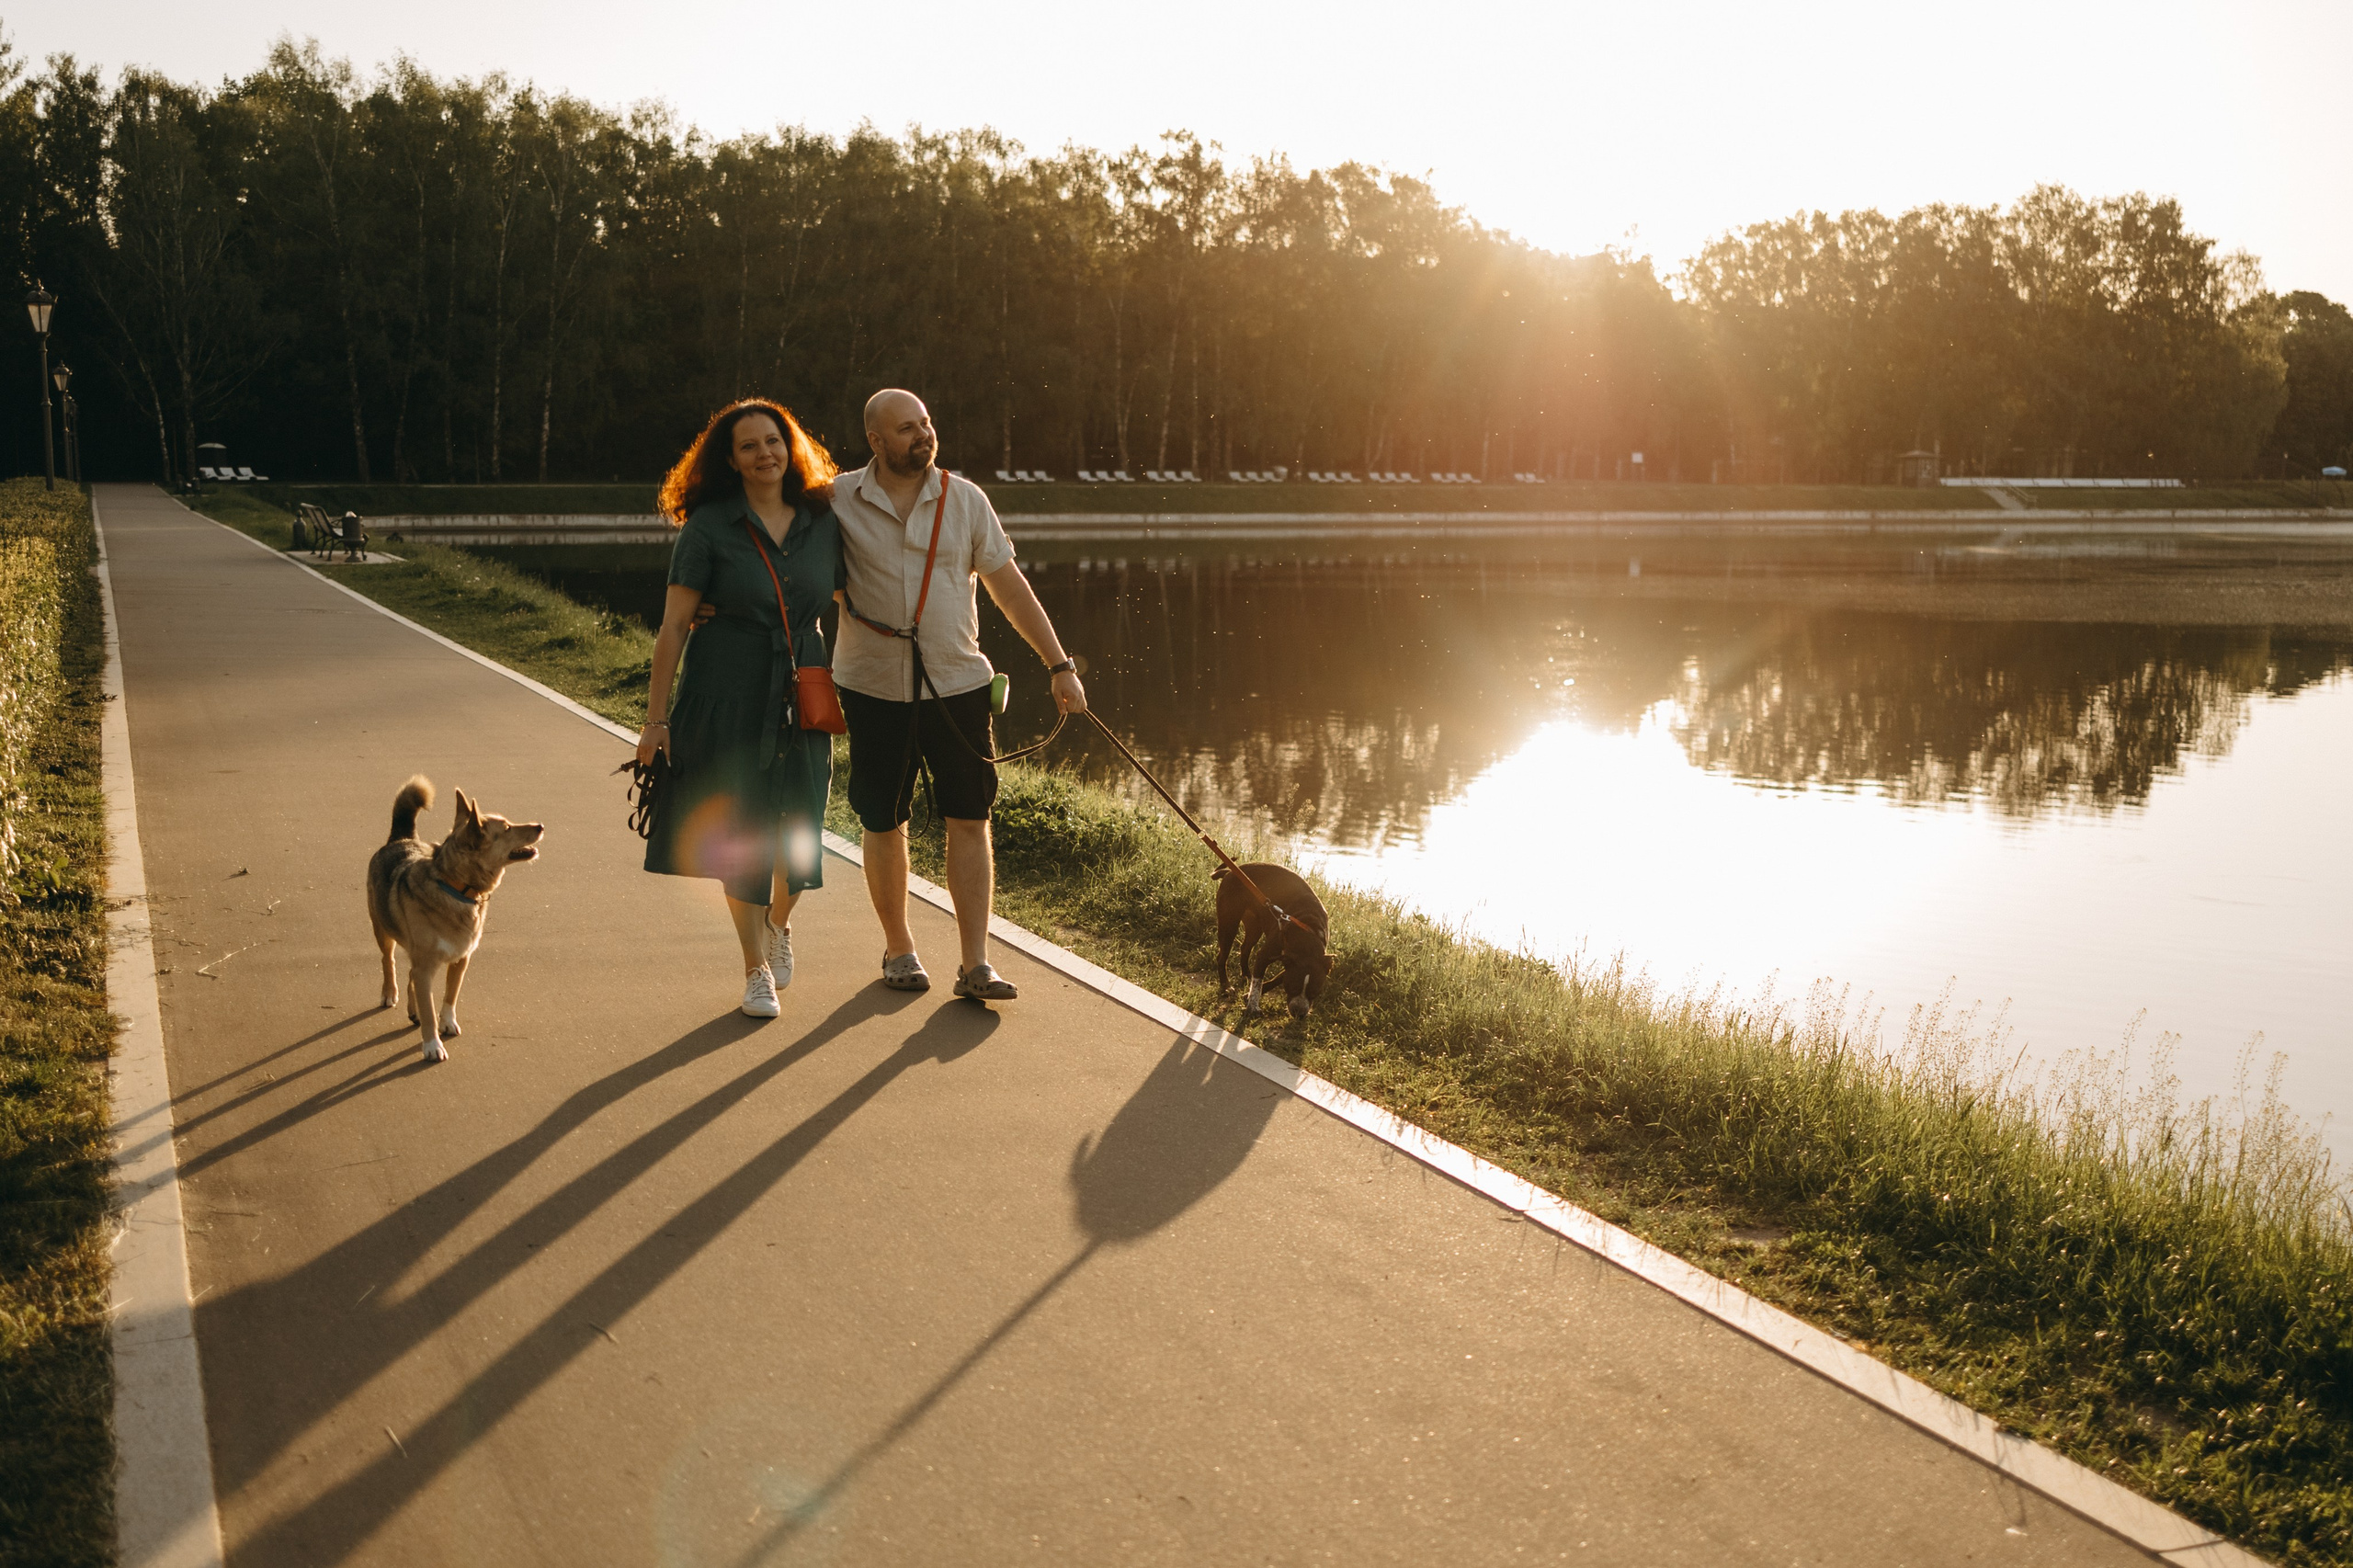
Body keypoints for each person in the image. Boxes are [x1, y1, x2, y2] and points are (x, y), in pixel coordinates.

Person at [832, 388, 1086, 1000]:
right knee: (883, 820)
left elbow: (1009, 588)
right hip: (872, 690)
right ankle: (899, 949)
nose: (922, 434)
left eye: (926, 423)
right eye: (906, 428)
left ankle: (975, 964)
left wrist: (1059, 664)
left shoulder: (965, 498)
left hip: (958, 687)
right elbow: (787, 562)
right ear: (875, 440)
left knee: (970, 819)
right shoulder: (837, 499)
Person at [638, 400, 844, 1018]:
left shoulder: (822, 518)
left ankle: (777, 923)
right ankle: (755, 968)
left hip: (802, 682)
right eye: (749, 445)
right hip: (726, 683)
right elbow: (675, 625)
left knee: (804, 821)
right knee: (742, 827)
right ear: (730, 459)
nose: (765, 454)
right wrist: (656, 720)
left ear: (792, 446)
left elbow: (860, 590)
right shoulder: (710, 525)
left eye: (774, 441)